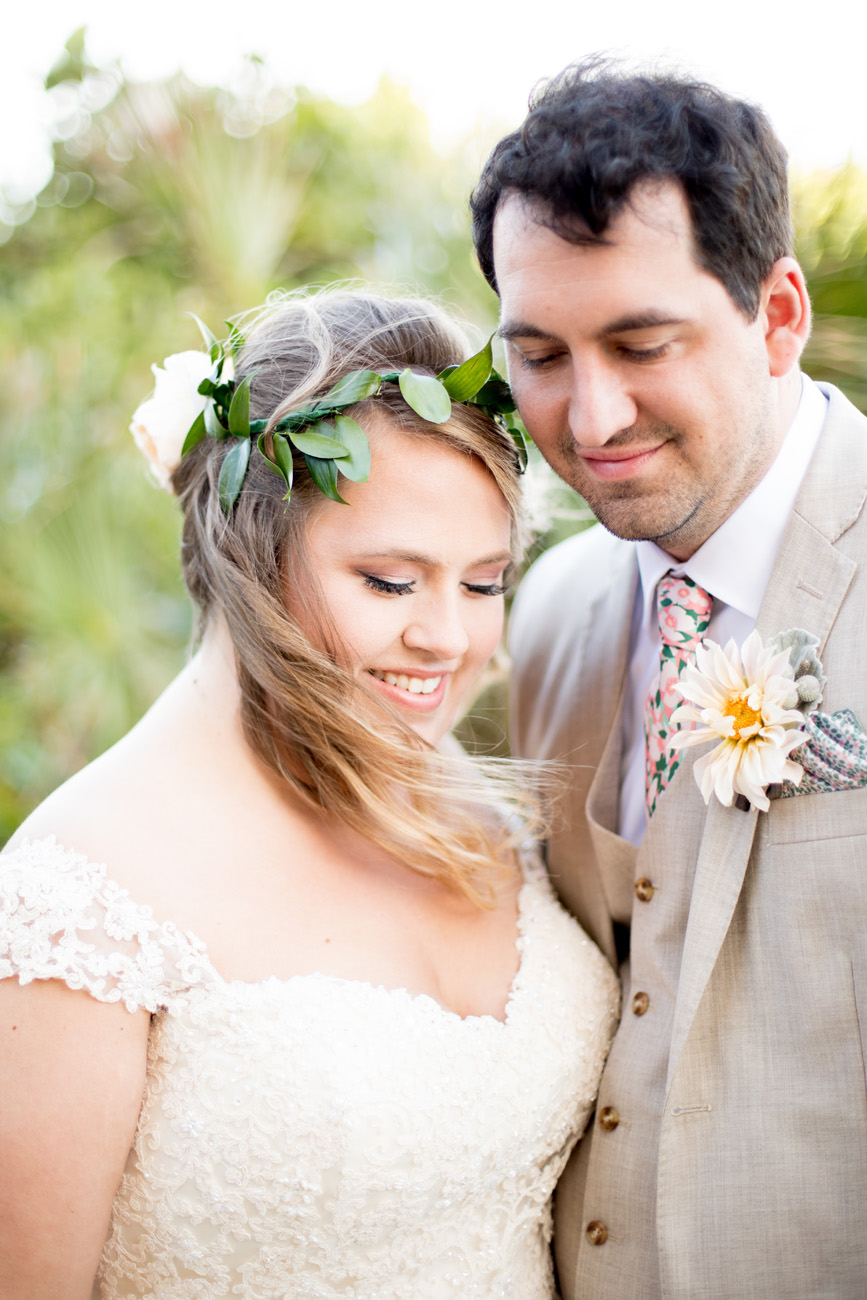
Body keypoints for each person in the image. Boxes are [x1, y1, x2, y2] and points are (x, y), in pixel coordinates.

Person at [0, 288, 619, 1299]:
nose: (451, 640)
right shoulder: (74, 905)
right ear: (248, 553)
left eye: (481, 580)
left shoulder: (464, 794)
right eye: (388, 580)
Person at [471, 60, 867, 1300]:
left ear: (779, 313)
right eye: (538, 355)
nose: (590, 418)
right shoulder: (554, 609)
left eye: (642, 343)